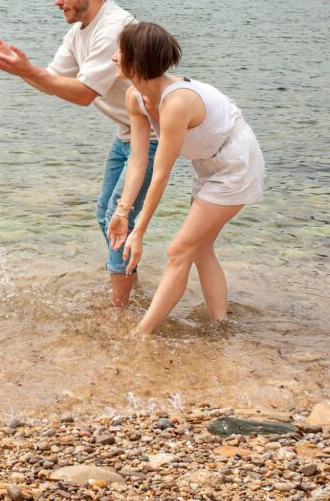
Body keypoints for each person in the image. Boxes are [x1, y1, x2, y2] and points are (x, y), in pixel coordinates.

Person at [0, 0, 157, 307]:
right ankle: (128, 288)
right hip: (126, 133)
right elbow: (54, 81)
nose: (57, 1)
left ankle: (119, 308)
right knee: (103, 215)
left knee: (116, 216)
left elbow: (81, 94)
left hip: (152, 137)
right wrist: (20, 69)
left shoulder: (113, 28)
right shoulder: (79, 31)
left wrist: (27, 70)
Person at [107, 22, 265, 335]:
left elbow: (162, 174)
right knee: (200, 248)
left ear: (138, 60)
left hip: (235, 162)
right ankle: (221, 326)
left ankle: (141, 335)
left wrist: (140, 232)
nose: (113, 58)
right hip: (208, 164)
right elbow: (139, 161)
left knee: (178, 250)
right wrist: (123, 212)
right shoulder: (135, 97)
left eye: (121, 52)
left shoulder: (177, 102)